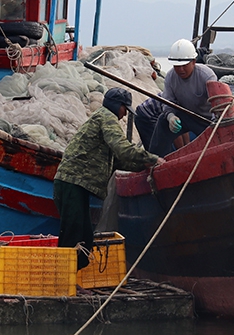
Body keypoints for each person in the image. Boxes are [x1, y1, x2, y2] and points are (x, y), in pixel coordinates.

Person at [54, 88, 160, 268]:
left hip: (76, 185)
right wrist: (154, 159)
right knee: (72, 235)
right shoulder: (106, 118)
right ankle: (65, 282)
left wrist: (144, 166)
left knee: (85, 236)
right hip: (71, 182)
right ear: (117, 106)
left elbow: (118, 161)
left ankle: (73, 280)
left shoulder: (100, 118)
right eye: (124, 108)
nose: (125, 113)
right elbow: (122, 148)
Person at [140, 38, 218, 155]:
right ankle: (156, 161)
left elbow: (217, 104)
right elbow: (168, 102)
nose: (180, 69)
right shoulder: (171, 77)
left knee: (215, 140)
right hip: (186, 116)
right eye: (177, 66)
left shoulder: (206, 76)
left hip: (206, 121)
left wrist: (214, 123)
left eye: (184, 65)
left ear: (193, 61)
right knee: (163, 121)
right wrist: (171, 117)